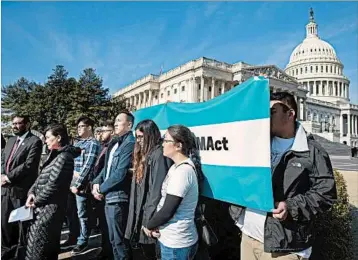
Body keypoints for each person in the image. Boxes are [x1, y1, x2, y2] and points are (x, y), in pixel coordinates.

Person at [229, 92, 337, 260]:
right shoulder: (257, 144)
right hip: (249, 235)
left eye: (272, 112)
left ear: (290, 114)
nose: (266, 116)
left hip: (284, 247)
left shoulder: (313, 151)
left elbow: (326, 194)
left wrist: (291, 207)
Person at [25, 124, 81, 260]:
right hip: (42, 207)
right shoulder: (55, 155)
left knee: (40, 249)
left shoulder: (64, 157)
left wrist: (36, 201)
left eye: (48, 137)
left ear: (59, 138)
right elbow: (40, 178)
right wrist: (31, 193)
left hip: (49, 210)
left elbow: (53, 185)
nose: (45, 141)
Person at [144, 125, 200, 260]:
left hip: (177, 243)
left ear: (178, 146)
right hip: (169, 238)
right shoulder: (176, 167)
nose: (162, 144)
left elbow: (167, 210)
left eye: (166, 140)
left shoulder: (183, 172)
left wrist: (148, 226)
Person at [125, 119, 173, 259]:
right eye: (137, 137)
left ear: (150, 135)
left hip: (150, 217)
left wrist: (149, 221)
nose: (138, 141)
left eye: (141, 137)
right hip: (141, 213)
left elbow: (157, 191)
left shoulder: (159, 155)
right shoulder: (145, 154)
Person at [92, 110, 135, 260]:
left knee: (119, 241)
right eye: (115, 120)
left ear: (129, 124)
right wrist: (96, 183)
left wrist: (101, 189)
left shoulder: (130, 144)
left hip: (118, 198)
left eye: (119, 120)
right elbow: (106, 169)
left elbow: (120, 174)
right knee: (112, 240)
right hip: (108, 197)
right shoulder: (115, 143)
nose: (115, 123)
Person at [1, 115, 43, 260]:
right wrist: (1, 174)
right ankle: (7, 255)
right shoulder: (10, 140)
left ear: (27, 124)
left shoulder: (35, 141)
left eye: (19, 123)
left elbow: (28, 166)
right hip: (5, 191)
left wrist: (8, 177)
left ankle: (22, 256)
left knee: (22, 230)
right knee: (5, 227)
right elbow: (3, 159)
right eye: (13, 123)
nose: (15, 126)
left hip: (21, 192)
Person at [67, 116, 100, 255]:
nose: (79, 129)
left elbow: (88, 166)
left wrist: (78, 183)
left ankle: (83, 241)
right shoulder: (78, 143)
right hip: (71, 181)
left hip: (82, 183)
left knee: (82, 213)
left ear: (89, 128)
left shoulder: (92, 143)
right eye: (78, 126)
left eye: (82, 126)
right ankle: (73, 237)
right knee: (72, 213)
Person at [91, 120, 115, 260]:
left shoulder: (113, 148)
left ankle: (108, 252)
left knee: (108, 227)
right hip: (98, 190)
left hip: (106, 192)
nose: (101, 133)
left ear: (112, 132)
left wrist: (100, 188)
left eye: (104, 130)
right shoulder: (103, 147)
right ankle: (105, 249)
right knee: (103, 225)